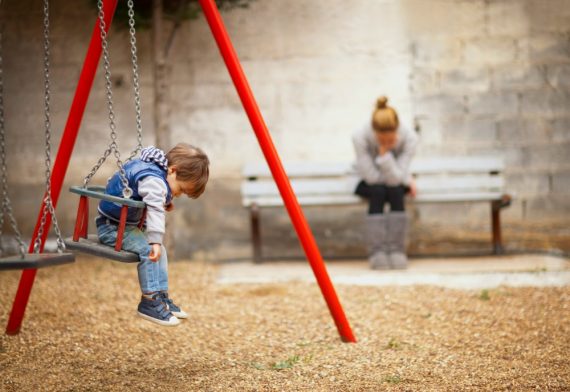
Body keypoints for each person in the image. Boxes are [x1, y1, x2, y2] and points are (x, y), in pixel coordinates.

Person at [97, 143, 209, 326]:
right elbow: (155, 208)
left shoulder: (155, 172)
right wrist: (154, 240)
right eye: (181, 189)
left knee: (161, 251)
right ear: (172, 170)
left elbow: (148, 196)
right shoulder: (154, 179)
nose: (178, 195)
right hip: (112, 229)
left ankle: (160, 296)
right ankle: (149, 301)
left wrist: (166, 199)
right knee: (149, 251)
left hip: (126, 226)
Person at [352, 96, 417, 270]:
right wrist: (385, 156)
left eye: (390, 141)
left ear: (397, 132)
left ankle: (397, 250)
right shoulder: (360, 137)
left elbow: (396, 179)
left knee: (394, 190)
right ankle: (377, 252)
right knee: (379, 190)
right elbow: (371, 177)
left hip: (395, 183)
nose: (386, 144)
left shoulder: (410, 138)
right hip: (368, 183)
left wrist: (384, 157)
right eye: (381, 141)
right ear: (374, 134)